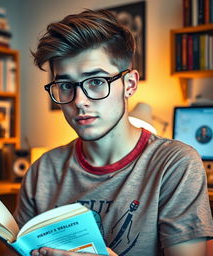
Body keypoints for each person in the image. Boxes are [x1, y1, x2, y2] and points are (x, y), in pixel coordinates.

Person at [14, 9, 213, 256]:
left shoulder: (175, 164)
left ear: (129, 84)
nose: (79, 101)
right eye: (65, 86)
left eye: (96, 82)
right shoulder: (42, 171)